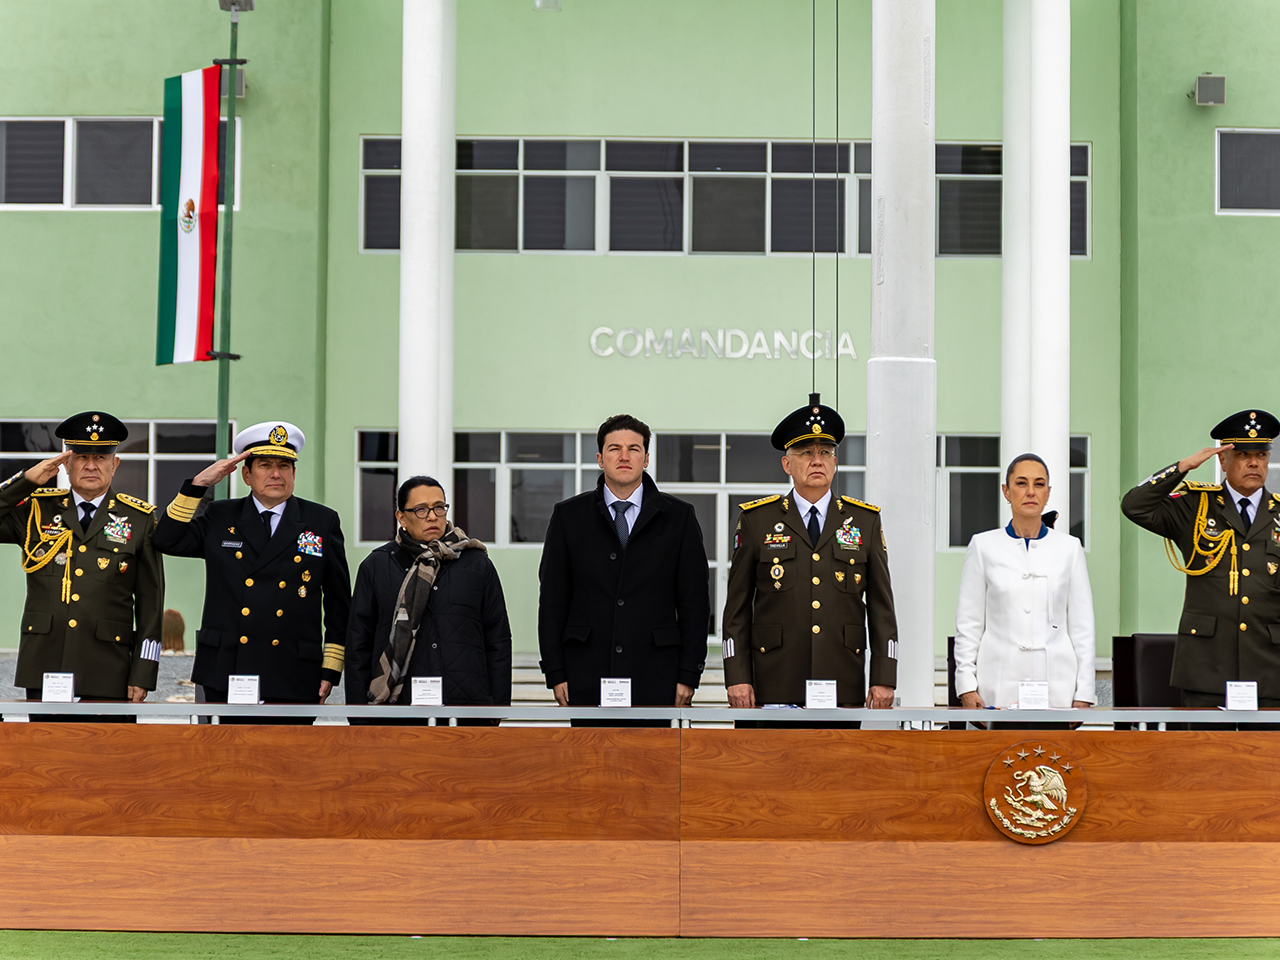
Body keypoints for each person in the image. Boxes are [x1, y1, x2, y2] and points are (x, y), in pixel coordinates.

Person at [153, 421, 350, 724]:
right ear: (246, 474)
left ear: (294, 474)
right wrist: (199, 485)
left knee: (288, 763)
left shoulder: (321, 521)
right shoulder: (221, 516)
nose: (276, 474)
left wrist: (331, 668)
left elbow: (339, 601)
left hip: (293, 670)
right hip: (228, 666)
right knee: (228, 761)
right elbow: (166, 539)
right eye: (265, 465)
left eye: (285, 466)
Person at [722, 394, 897, 718]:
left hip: (843, 681)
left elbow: (882, 608)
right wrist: (737, 676)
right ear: (787, 464)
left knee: (838, 767)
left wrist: (884, 677)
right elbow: (737, 609)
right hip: (773, 682)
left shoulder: (863, 521)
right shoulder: (757, 520)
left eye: (825, 453)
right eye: (805, 453)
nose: (817, 460)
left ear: (834, 463)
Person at [538, 413, 710, 717]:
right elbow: (553, 600)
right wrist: (555, 670)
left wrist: (688, 673)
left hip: (658, 673)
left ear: (646, 459)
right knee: (589, 761)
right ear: (600, 458)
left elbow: (694, 602)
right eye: (614, 448)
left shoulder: (679, 517)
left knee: (654, 761)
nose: (624, 456)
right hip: (585, 669)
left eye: (634, 448)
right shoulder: (569, 516)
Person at [0, 412, 164, 717]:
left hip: (108, 669)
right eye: (82, 456)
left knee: (107, 760)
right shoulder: (37, 510)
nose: (91, 465)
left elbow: (151, 606)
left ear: (114, 464)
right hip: (45, 665)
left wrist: (143, 672)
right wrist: (25, 482)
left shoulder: (140, 520)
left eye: (101, 457)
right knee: (47, 759)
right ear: (66, 463)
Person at [1122, 409, 1280, 711]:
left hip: (1270, 668)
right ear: (1223, 460)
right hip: (1207, 668)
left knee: (1267, 759)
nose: (1253, 463)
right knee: (1205, 757)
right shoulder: (1195, 506)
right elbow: (1134, 506)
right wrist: (1182, 467)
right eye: (1244, 455)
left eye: (1261, 455)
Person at [346, 475, 511, 724]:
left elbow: (497, 637)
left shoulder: (476, 564)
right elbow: (359, 643)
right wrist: (359, 715)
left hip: (466, 708)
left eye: (439, 507)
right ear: (401, 517)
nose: (432, 516)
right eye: (421, 510)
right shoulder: (377, 566)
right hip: (396, 710)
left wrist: (496, 709)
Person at [954, 454, 1095, 714]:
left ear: (1048, 492)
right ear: (1006, 491)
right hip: (996, 685)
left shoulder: (1069, 549)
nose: (1031, 492)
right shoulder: (984, 546)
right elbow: (969, 623)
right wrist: (966, 685)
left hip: (1058, 687)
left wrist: (1084, 691)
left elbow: (1082, 628)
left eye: (1039, 484)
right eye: (1021, 483)